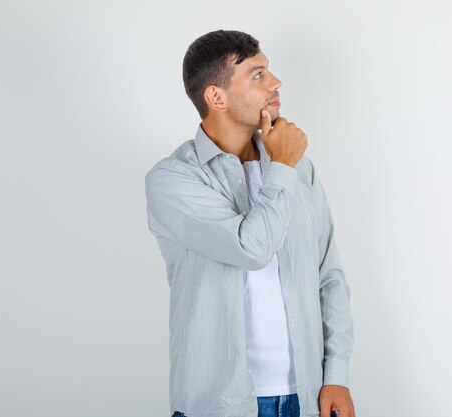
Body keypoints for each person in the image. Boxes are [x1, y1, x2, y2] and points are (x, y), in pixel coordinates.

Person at [144, 29, 355, 417]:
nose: (275, 83)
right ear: (216, 97)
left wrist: (336, 374)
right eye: (257, 74)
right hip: (220, 405)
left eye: (269, 71)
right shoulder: (173, 180)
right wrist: (283, 166)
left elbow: (329, 277)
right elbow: (252, 248)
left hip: (306, 396)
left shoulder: (298, 170)